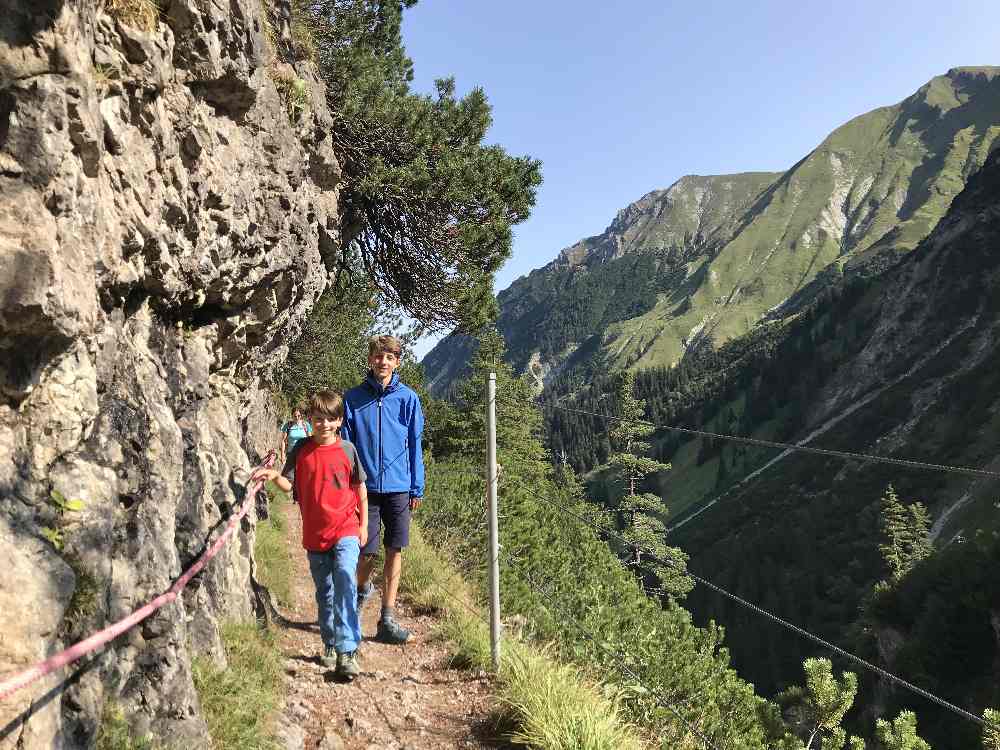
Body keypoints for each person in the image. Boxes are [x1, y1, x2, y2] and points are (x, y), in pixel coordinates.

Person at [254, 390, 368, 680]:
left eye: (331, 419)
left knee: (344, 578)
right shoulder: (301, 450)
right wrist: (271, 476)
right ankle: (330, 643)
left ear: (339, 421)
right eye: (319, 419)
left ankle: (347, 650)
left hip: (346, 529)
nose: (324, 425)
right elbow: (287, 483)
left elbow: (360, 490)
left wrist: (363, 525)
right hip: (315, 535)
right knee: (325, 592)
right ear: (310, 420)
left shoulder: (347, 450)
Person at [342, 335, 424, 645]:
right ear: (370, 359)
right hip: (365, 488)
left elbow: (415, 444)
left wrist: (417, 486)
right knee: (367, 552)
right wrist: (350, 484)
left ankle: (387, 618)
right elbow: (346, 447)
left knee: (395, 550)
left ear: (397, 362)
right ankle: (361, 591)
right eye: (378, 356)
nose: (383, 362)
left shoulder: (408, 399)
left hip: (400, 488)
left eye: (389, 357)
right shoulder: (352, 399)